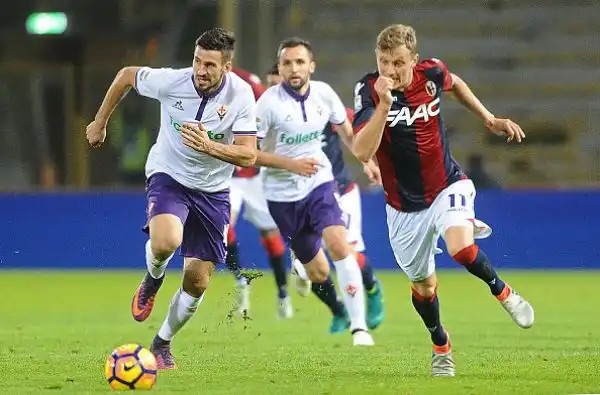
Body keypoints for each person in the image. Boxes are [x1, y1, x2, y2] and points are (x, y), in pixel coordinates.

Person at [352, 24, 534, 376]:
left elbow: (457, 84)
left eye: (398, 63)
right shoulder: (368, 91)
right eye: (384, 62)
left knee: (461, 249)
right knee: (424, 286)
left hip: (448, 186)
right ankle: (441, 344)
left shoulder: (432, 72)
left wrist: (489, 118)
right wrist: (384, 105)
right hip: (403, 207)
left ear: (414, 60)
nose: (390, 71)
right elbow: (361, 150)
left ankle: (504, 292)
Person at [85, 28, 258, 369]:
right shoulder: (172, 82)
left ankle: (161, 344)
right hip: (170, 176)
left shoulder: (242, 95)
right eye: (197, 60)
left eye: (209, 64)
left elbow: (249, 156)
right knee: (166, 241)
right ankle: (152, 279)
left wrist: (209, 146)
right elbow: (126, 76)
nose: (200, 70)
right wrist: (99, 121)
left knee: (197, 282)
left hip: (213, 191)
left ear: (227, 65)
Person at [255, 37, 374, 346]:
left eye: (299, 62)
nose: (293, 69)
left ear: (311, 65)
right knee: (319, 271)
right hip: (281, 194)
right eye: (287, 63)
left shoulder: (324, 94)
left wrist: (366, 161)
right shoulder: (267, 104)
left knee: (339, 244)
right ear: (280, 68)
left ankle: (359, 328)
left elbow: (347, 133)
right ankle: (305, 270)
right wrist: (289, 164)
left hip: (319, 181)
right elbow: (249, 154)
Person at [227, 67, 291, 319]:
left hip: (256, 178)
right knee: (224, 225)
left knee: (271, 235)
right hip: (229, 177)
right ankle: (241, 281)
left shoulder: (262, 97)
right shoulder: (222, 86)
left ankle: (283, 292)